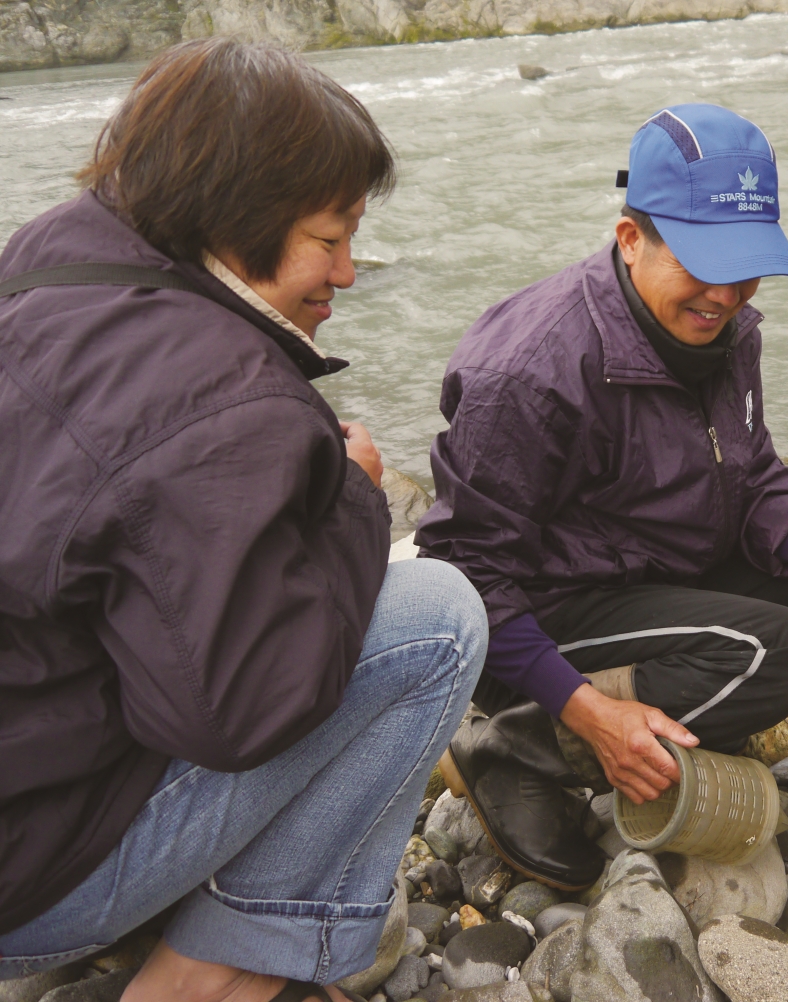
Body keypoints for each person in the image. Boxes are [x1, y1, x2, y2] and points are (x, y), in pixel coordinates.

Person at [0, 40, 487, 1002]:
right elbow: (239, 714)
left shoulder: (47, 262)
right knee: (435, 616)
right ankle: (210, 973)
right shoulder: (219, 402)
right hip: (27, 880)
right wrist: (351, 501)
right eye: (329, 236)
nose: (348, 272)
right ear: (239, 216)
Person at [417, 102, 788, 891]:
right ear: (631, 238)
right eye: (703, 262)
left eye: (745, 263)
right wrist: (584, 708)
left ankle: (670, 698)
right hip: (540, 619)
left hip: (641, 575)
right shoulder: (533, 372)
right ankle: (515, 744)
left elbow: (749, 481)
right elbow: (463, 574)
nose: (727, 292)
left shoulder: (725, 329)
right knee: (779, 652)